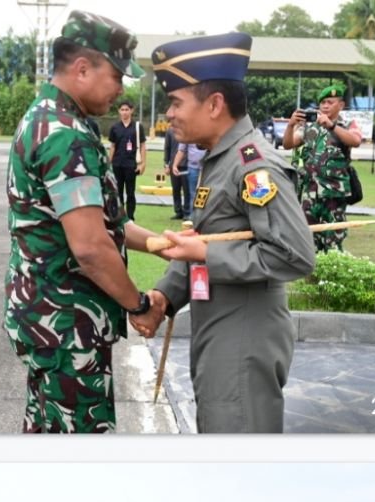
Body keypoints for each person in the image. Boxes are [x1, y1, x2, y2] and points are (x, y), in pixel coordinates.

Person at [130, 33, 315, 434]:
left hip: (243, 337)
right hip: (219, 327)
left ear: (214, 104)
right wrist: (165, 295)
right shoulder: (220, 161)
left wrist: (204, 253)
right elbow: (205, 240)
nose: (170, 114)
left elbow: (294, 255)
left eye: (177, 102)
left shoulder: (254, 166)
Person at [4, 9, 163, 434]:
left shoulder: (52, 118)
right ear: (82, 68)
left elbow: (103, 221)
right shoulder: (65, 134)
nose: (120, 89)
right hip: (67, 325)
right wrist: (139, 304)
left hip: (49, 319)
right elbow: (91, 248)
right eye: (116, 76)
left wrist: (158, 243)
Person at [283, 82, 362, 253]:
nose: (325, 106)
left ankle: (331, 271)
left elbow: (355, 141)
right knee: (308, 235)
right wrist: (290, 125)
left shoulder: (348, 124)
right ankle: (311, 274)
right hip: (310, 192)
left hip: (334, 192)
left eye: (330, 102)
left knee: (333, 236)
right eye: (323, 102)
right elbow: (288, 144)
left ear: (341, 105)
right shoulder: (311, 127)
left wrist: (332, 126)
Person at [108, 99, 146, 220]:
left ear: (131, 111)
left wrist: (143, 164)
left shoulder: (137, 127)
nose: (124, 112)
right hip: (117, 164)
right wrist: (109, 163)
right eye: (122, 110)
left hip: (131, 165)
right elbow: (113, 146)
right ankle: (120, 216)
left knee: (130, 192)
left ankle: (130, 216)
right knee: (117, 192)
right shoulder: (114, 128)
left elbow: (143, 146)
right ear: (119, 111)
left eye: (127, 109)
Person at [164, 126, 190, 219]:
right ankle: (178, 211)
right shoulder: (170, 131)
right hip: (173, 165)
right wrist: (166, 164)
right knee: (176, 189)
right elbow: (167, 147)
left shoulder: (189, 129)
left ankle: (187, 212)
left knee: (187, 190)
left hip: (187, 164)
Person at [173, 141, 205, 209]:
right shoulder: (188, 133)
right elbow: (181, 150)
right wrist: (175, 165)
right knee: (193, 194)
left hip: (208, 167)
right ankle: (193, 217)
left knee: (204, 194)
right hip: (193, 167)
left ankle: (201, 216)